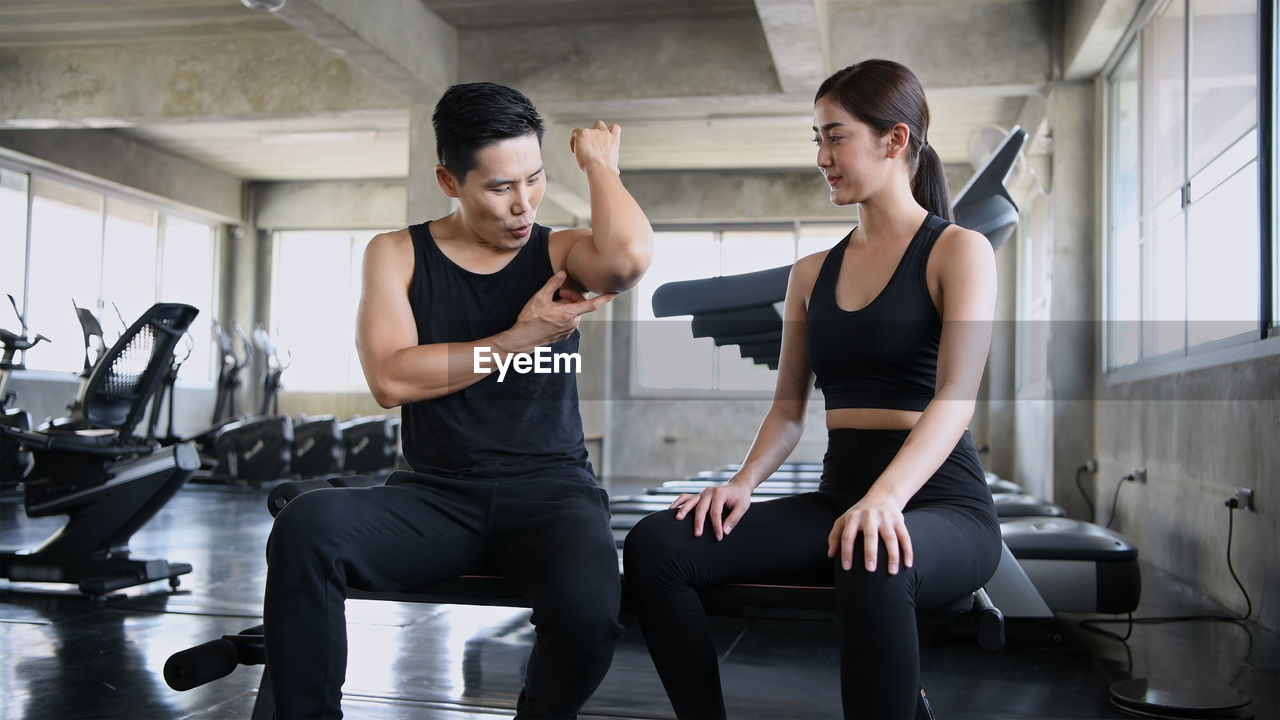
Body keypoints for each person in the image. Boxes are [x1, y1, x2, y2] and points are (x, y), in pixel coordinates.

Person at [623, 59, 1002, 720]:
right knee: (657, 546)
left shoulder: (958, 251)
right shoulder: (811, 274)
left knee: (873, 555)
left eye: (835, 137)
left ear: (895, 140)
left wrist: (885, 500)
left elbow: (956, 398)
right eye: (816, 139)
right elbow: (789, 411)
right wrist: (740, 484)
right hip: (838, 496)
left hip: (941, 503)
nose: (821, 156)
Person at [263, 81, 653, 719]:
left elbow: (629, 257)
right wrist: (522, 335)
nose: (523, 205)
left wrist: (601, 165)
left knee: (590, 611)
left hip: (551, 494)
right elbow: (391, 379)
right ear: (450, 181)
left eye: (534, 179)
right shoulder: (397, 254)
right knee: (308, 527)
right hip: (434, 496)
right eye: (500, 188)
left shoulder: (558, 251)